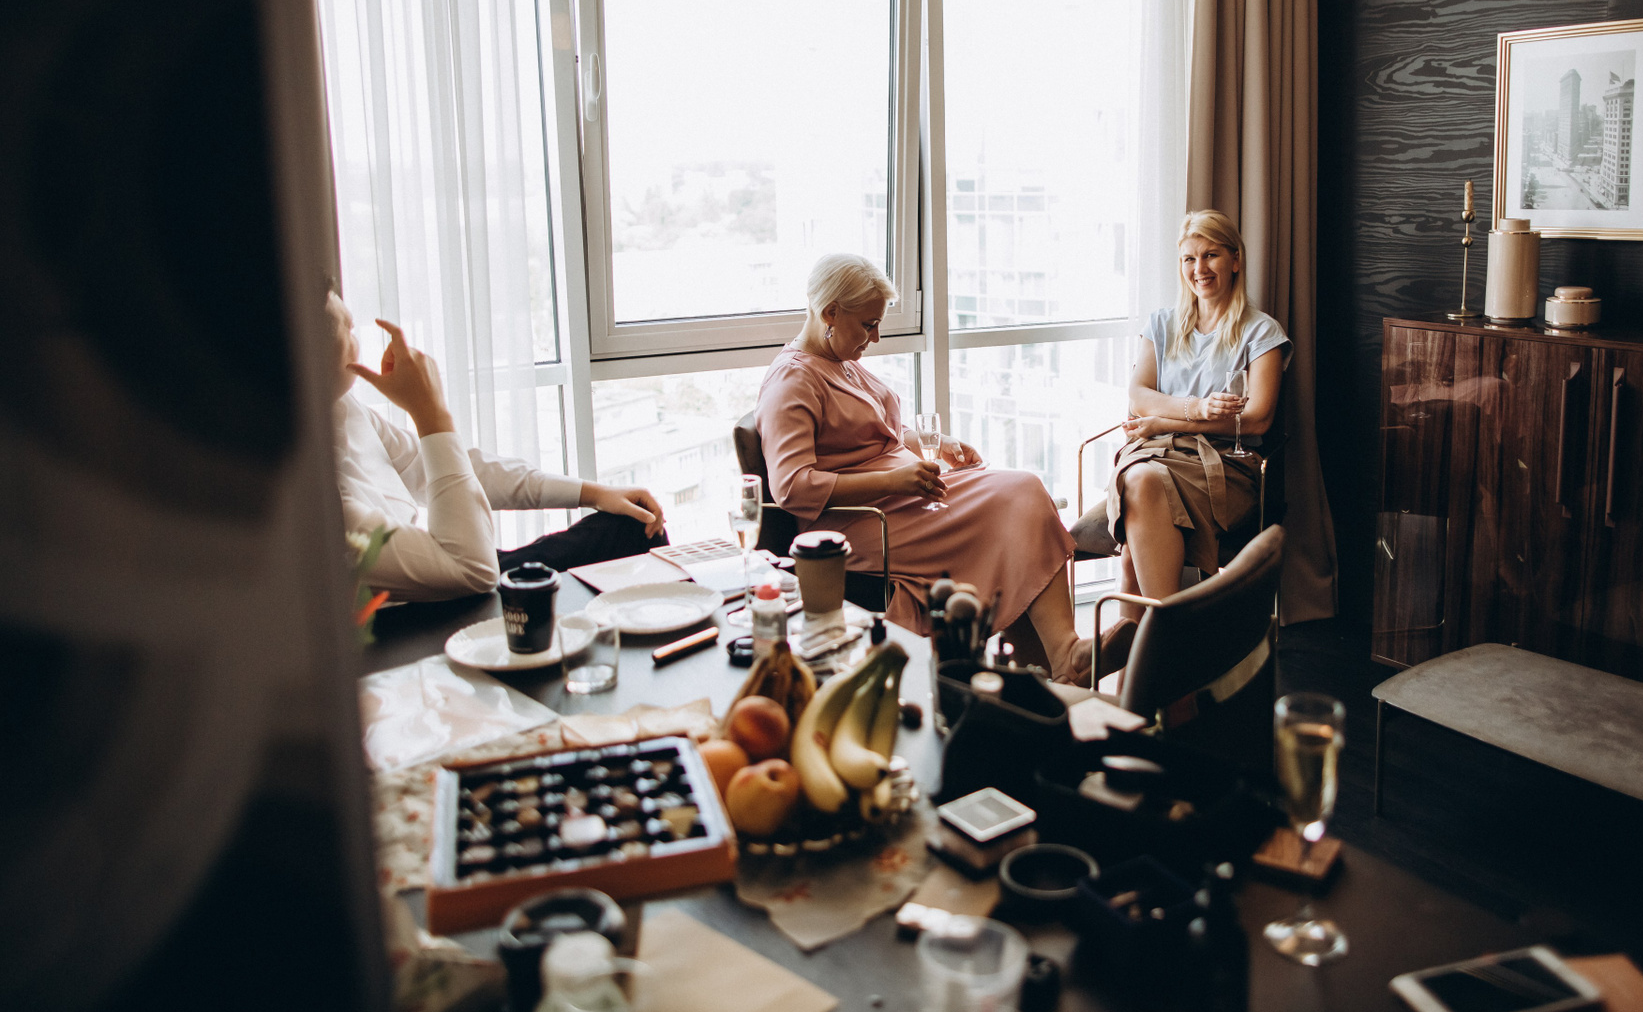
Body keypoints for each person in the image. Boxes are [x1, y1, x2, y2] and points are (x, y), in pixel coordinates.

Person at [755, 255, 1109, 684]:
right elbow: (792, 486)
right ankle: (1060, 660)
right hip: (862, 521)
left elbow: (875, 433)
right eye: (868, 324)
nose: (876, 337)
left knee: (1021, 499)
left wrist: (938, 443)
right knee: (1020, 497)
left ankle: (1053, 663)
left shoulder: (839, 362)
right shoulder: (792, 382)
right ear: (830, 312)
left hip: (901, 499)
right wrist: (894, 481)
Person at [328, 292, 667, 601]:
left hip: (465, 566)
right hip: (429, 600)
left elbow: (456, 468)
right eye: (347, 328)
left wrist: (594, 493)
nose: (356, 335)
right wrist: (431, 413)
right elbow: (472, 571)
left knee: (635, 525)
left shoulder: (345, 411)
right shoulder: (320, 507)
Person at [1107, 210, 1287, 605]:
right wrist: (1198, 408)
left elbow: (1258, 418)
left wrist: (1165, 421)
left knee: (1140, 496)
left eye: (1211, 255)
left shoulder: (1261, 331)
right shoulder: (1161, 324)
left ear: (1235, 260)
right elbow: (1138, 396)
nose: (1199, 269)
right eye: (1189, 258)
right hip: (1154, 449)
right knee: (1143, 480)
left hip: (1227, 463)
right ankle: (1167, 633)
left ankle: (1148, 634)